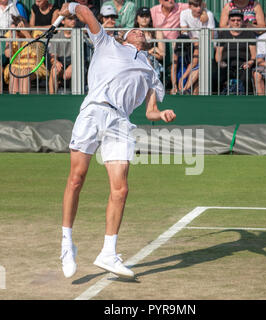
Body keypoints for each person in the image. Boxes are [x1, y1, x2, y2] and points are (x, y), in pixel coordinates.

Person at [57, 2, 176, 279]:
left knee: (120, 190)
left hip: (120, 122)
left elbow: (149, 111)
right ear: (124, 37)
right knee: (77, 178)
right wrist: (70, 7)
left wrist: (162, 114)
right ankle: (66, 242)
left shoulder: (150, 70)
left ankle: (108, 252)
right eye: (133, 30)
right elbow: (85, 12)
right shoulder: (106, 43)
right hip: (93, 111)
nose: (138, 32)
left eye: (141, 31)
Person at [214, 9, 256, 94]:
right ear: (229, 21)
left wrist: (250, 62)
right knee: (216, 75)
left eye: (238, 20)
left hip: (243, 65)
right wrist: (220, 62)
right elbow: (218, 54)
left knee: (247, 78)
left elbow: (254, 54)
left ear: (242, 21)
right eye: (233, 20)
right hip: (226, 65)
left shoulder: (249, 34)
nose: (236, 22)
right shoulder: (223, 34)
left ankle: (247, 100)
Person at [4, 15, 48, 94]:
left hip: (33, 66)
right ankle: (14, 100)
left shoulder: (36, 33)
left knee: (24, 72)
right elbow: (8, 54)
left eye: (19, 31)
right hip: (16, 65)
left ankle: (24, 99)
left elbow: (39, 51)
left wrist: (26, 33)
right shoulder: (12, 34)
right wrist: (10, 39)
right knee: (14, 71)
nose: (18, 33)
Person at [134, 7, 165, 78]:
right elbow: (133, 53)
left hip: (154, 63)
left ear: (150, 18)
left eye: (147, 16)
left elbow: (162, 55)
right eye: (142, 16)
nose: (144, 19)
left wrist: (146, 54)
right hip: (137, 62)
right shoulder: (133, 33)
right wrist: (151, 51)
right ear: (137, 19)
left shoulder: (157, 32)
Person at [48, 15, 76, 94]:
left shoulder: (80, 35)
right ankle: (52, 99)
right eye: (70, 18)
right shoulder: (56, 36)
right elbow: (53, 56)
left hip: (74, 63)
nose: (73, 21)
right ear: (63, 21)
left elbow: (82, 58)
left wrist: (73, 65)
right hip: (61, 62)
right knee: (54, 70)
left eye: (74, 18)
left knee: (77, 68)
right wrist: (56, 62)